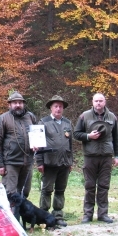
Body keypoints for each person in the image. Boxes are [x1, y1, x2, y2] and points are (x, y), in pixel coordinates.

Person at [74, 93, 118, 223]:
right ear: (92, 102)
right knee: (89, 186)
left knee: (104, 186)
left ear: (104, 102)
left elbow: (117, 138)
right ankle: (87, 214)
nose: (98, 103)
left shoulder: (112, 117)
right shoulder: (85, 116)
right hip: (90, 156)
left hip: (106, 156)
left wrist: (117, 156)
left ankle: (103, 214)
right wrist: (89, 136)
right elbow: (76, 134)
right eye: (96, 101)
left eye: (101, 101)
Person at [36, 95, 74, 228]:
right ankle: (44, 216)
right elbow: (37, 144)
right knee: (46, 190)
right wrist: (39, 162)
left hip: (64, 163)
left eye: (60, 106)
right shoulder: (43, 122)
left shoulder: (67, 123)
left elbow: (70, 144)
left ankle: (58, 216)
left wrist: (71, 161)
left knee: (60, 190)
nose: (58, 109)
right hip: (49, 163)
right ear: (51, 108)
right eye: (55, 106)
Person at [0, 92, 37, 199]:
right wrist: (0, 164)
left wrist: (37, 145)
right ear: (9, 105)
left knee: (24, 193)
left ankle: (19, 215)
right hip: (10, 163)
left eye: (20, 103)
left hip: (28, 162)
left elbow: (37, 134)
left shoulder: (30, 117)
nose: (18, 105)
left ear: (23, 104)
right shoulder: (3, 118)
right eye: (15, 103)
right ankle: (9, 216)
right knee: (10, 194)